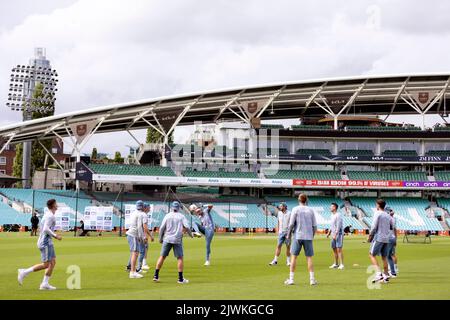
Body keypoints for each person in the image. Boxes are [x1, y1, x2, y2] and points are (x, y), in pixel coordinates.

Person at [18, 199, 62, 290]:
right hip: (45, 242)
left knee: (53, 262)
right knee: (46, 264)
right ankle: (24, 272)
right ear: (53, 205)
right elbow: (46, 228)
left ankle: (45, 284)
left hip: (48, 242)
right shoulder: (50, 216)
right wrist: (55, 235)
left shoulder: (49, 214)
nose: (57, 205)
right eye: (56, 204)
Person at [153, 201, 192, 284]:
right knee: (180, 258)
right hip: (177, 240)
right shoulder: (181, 216)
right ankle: (180, 279)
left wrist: (160, 239)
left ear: (172, 207)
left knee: (162, 256)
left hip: (167, 238)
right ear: (178, 208)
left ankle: (156, 275)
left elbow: (162, 228)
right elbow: (187, 227)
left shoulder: (167, 215)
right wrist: (191, 235)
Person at [285, 194, 317, 286]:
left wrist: (288, 235)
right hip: (308, 236)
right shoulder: (311, 210)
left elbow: (291, 224)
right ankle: (312, 279)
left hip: (297, 236)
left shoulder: (295, 209)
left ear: (298, 200)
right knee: (309, 258)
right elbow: (314, 226)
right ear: (306, 200)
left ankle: (291, 279)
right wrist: (312, 235)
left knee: (294, 257)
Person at [368, 199, 394, 283]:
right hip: (386, 238)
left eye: (376, 204)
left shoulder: (377, 213)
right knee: (384, 257)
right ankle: (386, 276)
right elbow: (391, 227)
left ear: (378, 205)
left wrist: (370, 236)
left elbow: (374, 226)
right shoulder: (388, 215)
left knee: (371, 255)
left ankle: (378, 274)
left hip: (378, 237)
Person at [126, 200, 145, 279]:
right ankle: (133, 272)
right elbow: (140, 227)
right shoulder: (140, 214)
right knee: (135, 253)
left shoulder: (134, 213)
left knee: (135, 253)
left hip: (131, 234)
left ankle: (133, 271)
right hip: (134, 235)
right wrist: (141, 237)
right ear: (142, 207)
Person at [327, 203, 344, 269]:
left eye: (331, 207)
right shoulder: (332, 215)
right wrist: (329, 233)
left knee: (339, 249)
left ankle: (342, 264)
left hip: (338, 234)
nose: (330, 208)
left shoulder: (338, 215)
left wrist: (335, 234)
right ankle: (336, 264)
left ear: (335, 207)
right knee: (334, 249)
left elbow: (338, 226)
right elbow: (332, 225)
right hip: (333, 234)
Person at [386, 207, 398, 277]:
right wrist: (395, 239)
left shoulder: (387, 219)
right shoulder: (393, 219)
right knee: (391, 254)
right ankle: (394, 269)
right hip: (392, 238)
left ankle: (391, 270)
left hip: (388, 239)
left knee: (388, 255)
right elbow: (395, 230)